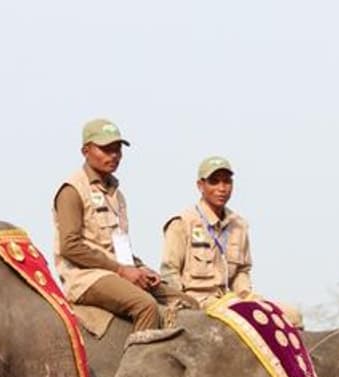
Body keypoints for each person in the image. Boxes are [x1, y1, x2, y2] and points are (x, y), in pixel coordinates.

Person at [52, 118, 180, 331]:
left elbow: (119, 246)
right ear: (85, 150)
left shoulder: (116, 195)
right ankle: (139, 365)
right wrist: (121, 270)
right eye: (106, 149)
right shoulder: (72, 190)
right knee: (145, 305)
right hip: (87, 277)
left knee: (184, 302)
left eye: (117, 150)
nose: (113, 156)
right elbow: (70, 246)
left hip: (119, 272)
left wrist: (140, 268)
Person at [160, 156, 252, 307]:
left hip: (229, 300)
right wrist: (181, 304)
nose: (222, 188)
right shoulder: (183, 223)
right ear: (200, 185)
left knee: (290, 315)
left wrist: (247, 297)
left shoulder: (238, 225)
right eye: (214, 181)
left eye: (226, 181)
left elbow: (242, 271)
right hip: (198, 301)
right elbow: (170, 271)